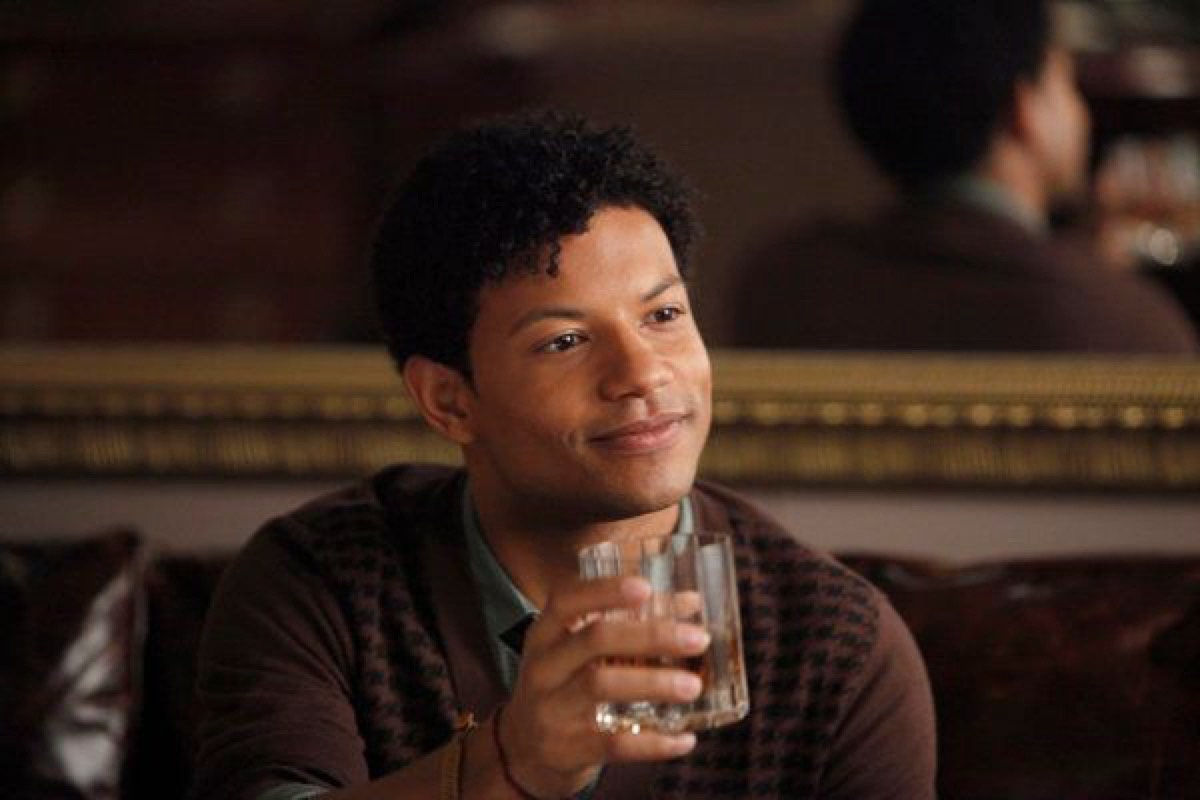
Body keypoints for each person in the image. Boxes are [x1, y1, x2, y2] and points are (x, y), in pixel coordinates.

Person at [189, 110, 936, 800]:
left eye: (664, 314)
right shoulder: (322, 579)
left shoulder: (835, 643)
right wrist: (513, 763)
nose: (643, 373)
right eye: (565, 341)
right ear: (449, 399)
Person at [732, 0, 1198, 353]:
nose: (1081, 112)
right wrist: (1101, 284)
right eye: (1065, 82)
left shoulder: (782, 285)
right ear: (1025, 109)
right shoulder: (1134, 329)